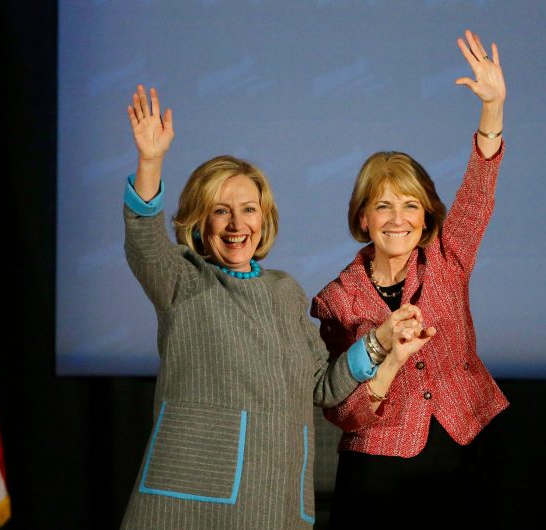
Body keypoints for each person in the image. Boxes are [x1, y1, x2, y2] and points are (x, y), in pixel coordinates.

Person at [120, 84, 435, 529]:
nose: (236, 224)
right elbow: (143, 242)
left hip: (277, 500)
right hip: (191, 502)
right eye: (220, 211)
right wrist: (150, 162)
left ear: (263, 219)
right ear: (198, 219)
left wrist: (381, 341)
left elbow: (323, 387)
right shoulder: (182, 277)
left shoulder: (285, 291)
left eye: (249, 209)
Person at [310, 30, 508, 529]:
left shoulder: (447, 257)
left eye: (410, 204)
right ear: (363, 219)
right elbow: (344, 412)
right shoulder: (337, 301)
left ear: (426, 216)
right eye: (383, 205)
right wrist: (390, 361)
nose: (398, 219)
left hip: (462, 453)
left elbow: (479, 192)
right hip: (379, 473)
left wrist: (493, 110)